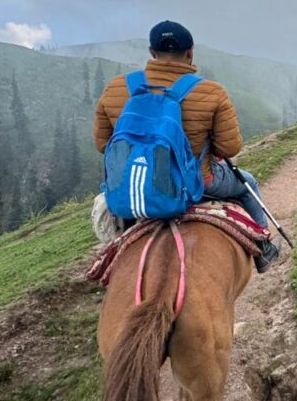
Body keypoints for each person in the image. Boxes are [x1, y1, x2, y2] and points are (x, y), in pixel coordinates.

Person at [93, 20, 279, 271]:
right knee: (249, 184)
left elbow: (104, 144)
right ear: (190, 52)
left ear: (152, 52)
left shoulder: (116, 87)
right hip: (199, 182)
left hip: (136, 183)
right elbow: (229, 148)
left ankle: (119, 259)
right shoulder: (212, 92)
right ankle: (264, 250)